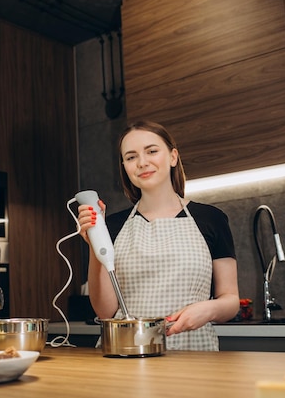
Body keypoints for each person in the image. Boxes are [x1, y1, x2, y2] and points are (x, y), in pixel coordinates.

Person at [78, 121, 240, 351]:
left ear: (173, 157)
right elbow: (105, 312)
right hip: (126, 349)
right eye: (131, 157)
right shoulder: (111, 225)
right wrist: (95, 243)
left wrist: (208, 309)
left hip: (193, 349)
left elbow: (231, 299)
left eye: (152, 151)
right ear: (124, 166)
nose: (142, 162)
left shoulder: (211, 219)